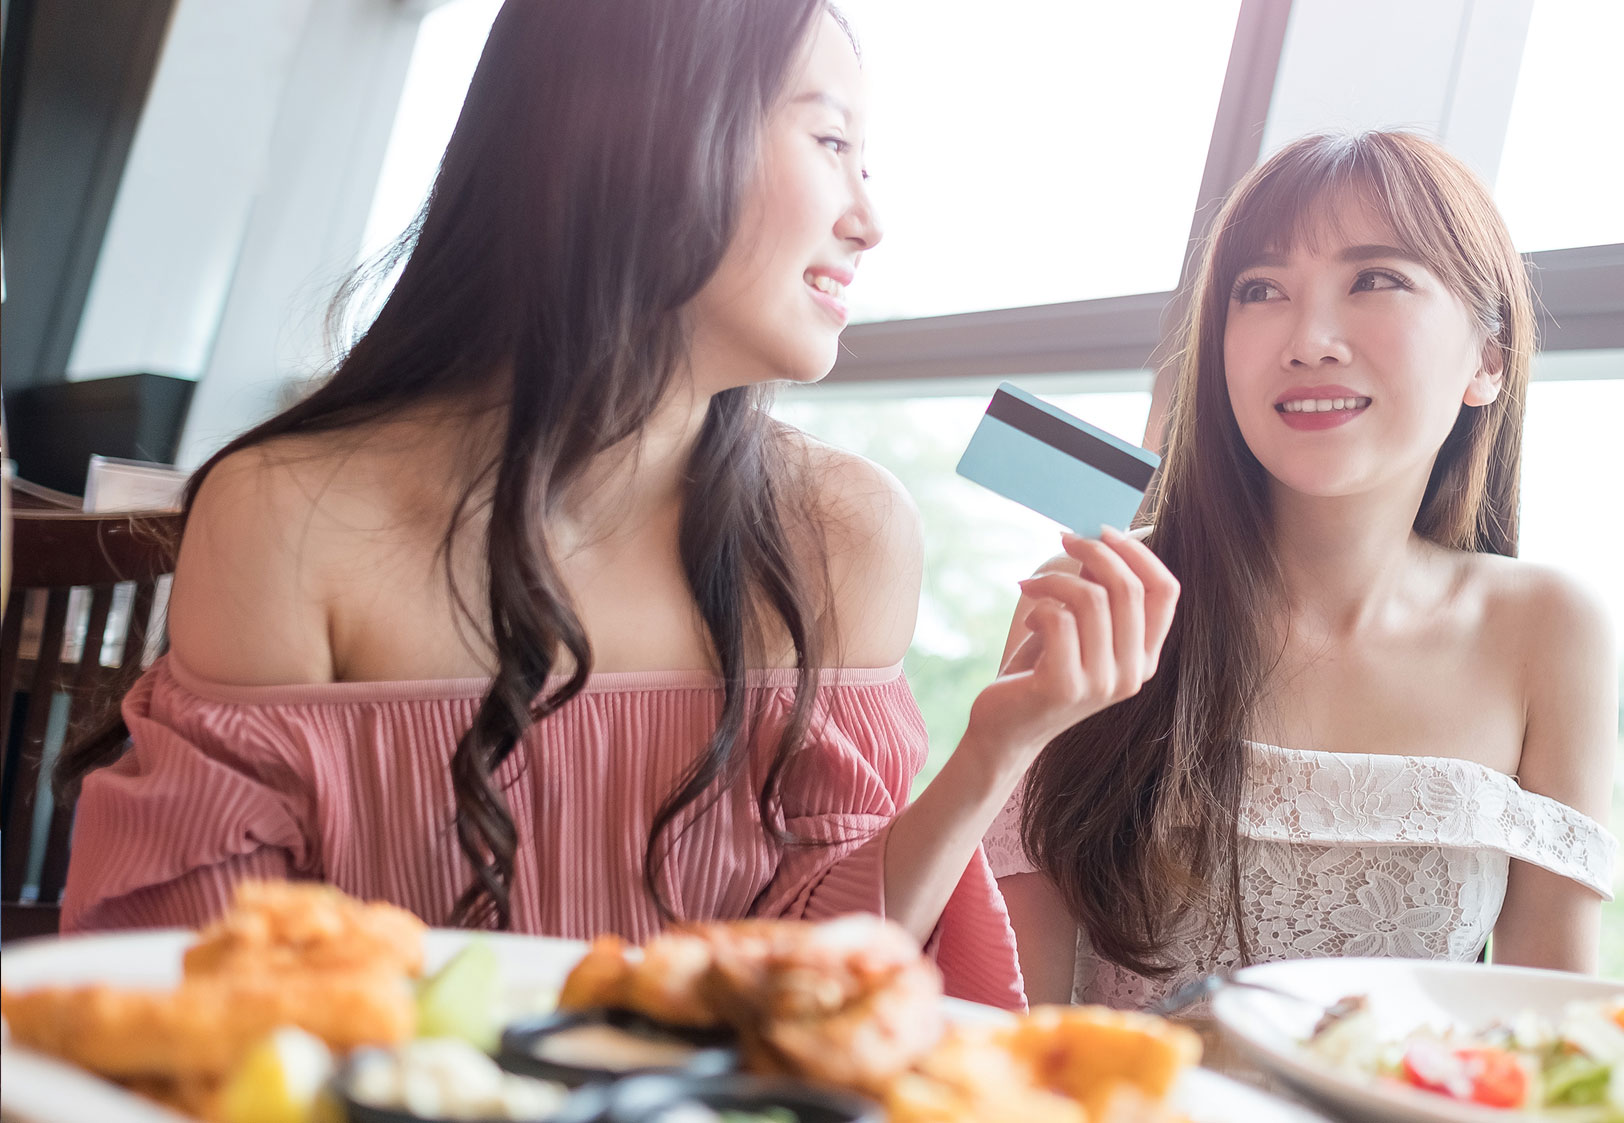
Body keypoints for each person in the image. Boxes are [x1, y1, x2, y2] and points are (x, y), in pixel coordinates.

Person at [55, 0, 1178, 1011]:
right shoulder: (291, 518)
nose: (867, 221)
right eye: (831, 141)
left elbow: (814, 986)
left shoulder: (842, 531)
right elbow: (186, 999)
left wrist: (998, 742)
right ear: (638, 132)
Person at [987, 131, 1617, 1009]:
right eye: (1263, 291)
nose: (1310, 339)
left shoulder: (1547, 629)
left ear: (1488, 358)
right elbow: (1012, 1019)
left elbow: (1547, 1025)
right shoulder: (1103, 600)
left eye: (1375, 279)